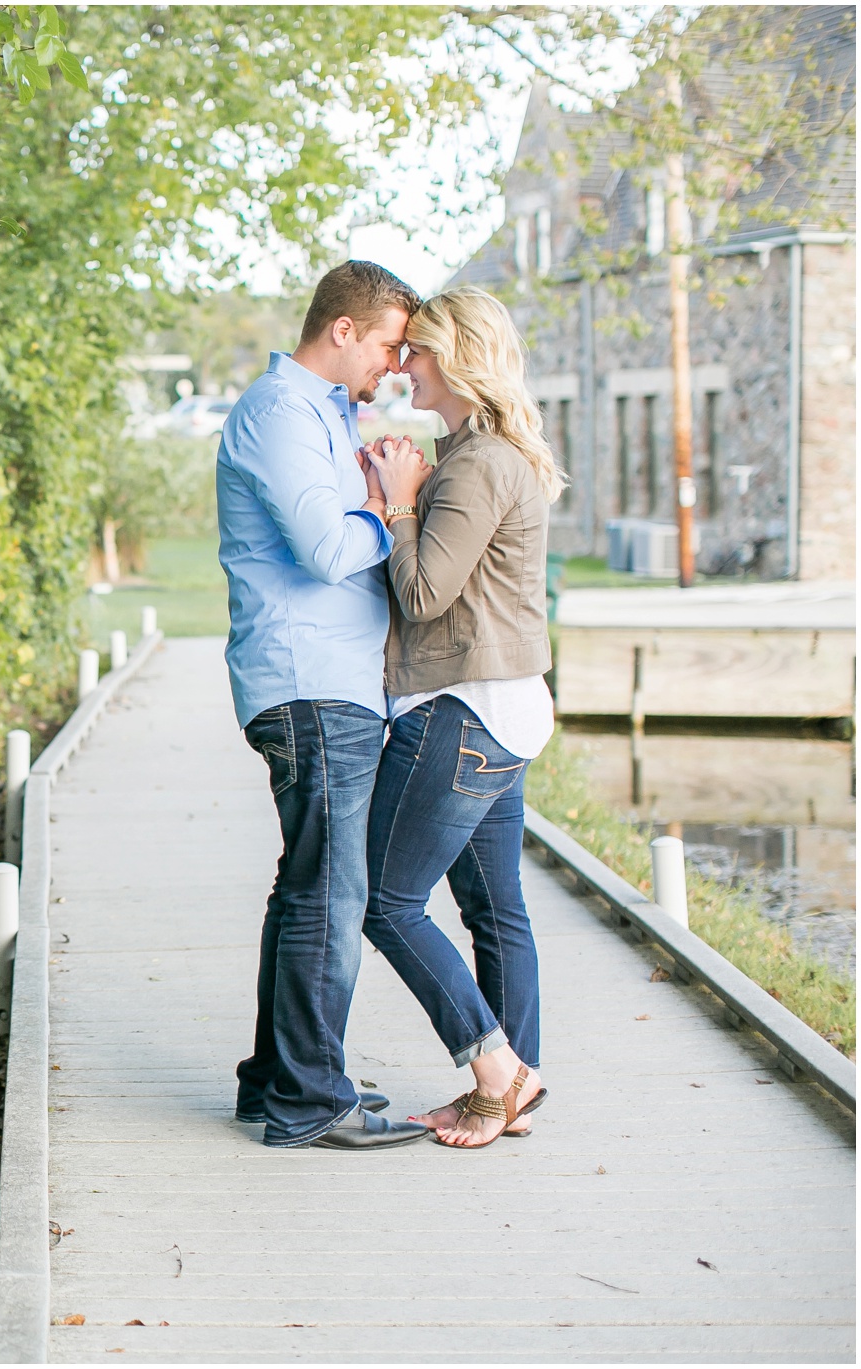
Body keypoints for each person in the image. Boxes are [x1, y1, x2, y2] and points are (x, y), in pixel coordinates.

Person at [216, 261, 431, 1150]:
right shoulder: (280, 414)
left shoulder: (329, 415)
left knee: (307, 885)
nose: (392, 364)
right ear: (342, 330)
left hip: (332, 682)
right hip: (310, 684)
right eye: (386, 343)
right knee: (331, 895)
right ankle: (309, 1100)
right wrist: (393, 504)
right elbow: (324, 547)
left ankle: (277, 1080)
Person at [359, 285, 564, 1148]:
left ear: (456, 358)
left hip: (465, 712)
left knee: (386, 899)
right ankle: (512, 1093)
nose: (403, 366)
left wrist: (397, 504)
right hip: (506, 709)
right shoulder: (487, 452)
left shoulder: (477, 464)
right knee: (495, 907)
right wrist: (405, 490)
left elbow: (423, 590)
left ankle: (495, 1069)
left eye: (417, 352)